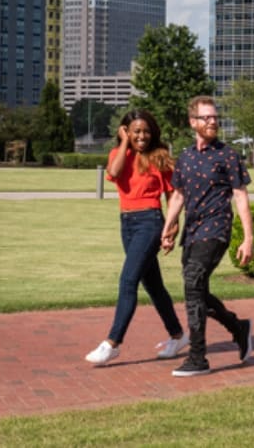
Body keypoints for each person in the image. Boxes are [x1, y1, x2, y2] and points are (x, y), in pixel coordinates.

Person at [158, 95, 254, 377]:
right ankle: (237, 327)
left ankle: (198, 357)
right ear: (193, 122)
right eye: (206, 118)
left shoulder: (228, 155)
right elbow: (178, 196)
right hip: (191, 232)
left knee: (192, 282)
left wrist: (248, 238)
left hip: (216, 229)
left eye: (215, 117)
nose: (213, 121)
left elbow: (241, 197)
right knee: (197, 288)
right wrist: (168, 228)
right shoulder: (186, 157)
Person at [85, 110, 189, 365]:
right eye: (136, 131)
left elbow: (173, 195)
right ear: (126, 132)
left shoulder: (160, 157)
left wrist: (172, 226)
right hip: (127, 223)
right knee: (152, 284)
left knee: (128, 280)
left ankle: (113, 343)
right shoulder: (119, 154)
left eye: (146, 131)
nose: (142, 136)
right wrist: (123, 144)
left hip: (150, 223)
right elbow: (115, 172)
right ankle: (177, 335)